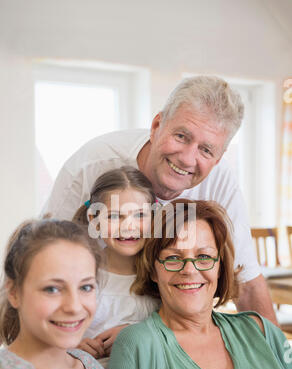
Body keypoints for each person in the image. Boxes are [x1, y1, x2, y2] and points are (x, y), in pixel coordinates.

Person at [41, 75, 276, 324]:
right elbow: (38, 263)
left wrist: (278, 360)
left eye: (206, 150)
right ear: (156, 126)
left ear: (218, 158)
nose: (187, 158)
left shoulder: (220, 182)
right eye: (181, 136)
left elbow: (246, 281)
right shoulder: (90, 165)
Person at [109, 199, 292, 369]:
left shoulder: (260, 330)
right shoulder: (138, 345)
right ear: (153, 270)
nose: (189, 270)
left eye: (204, 256)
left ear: (220, 267)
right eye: (173, 258)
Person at [0, 219, 131, 369]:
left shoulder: (89, 366)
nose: (74, 306)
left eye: (86, 287)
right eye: (52, 289)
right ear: (14, 292)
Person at [73, 166, 161, 365]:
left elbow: (182, 330)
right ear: (94, 220)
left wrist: (136, 334)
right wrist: (72, 346)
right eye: (114, 216)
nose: (128, 226)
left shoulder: (162, 273)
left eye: (140, 215)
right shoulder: (79, 275)